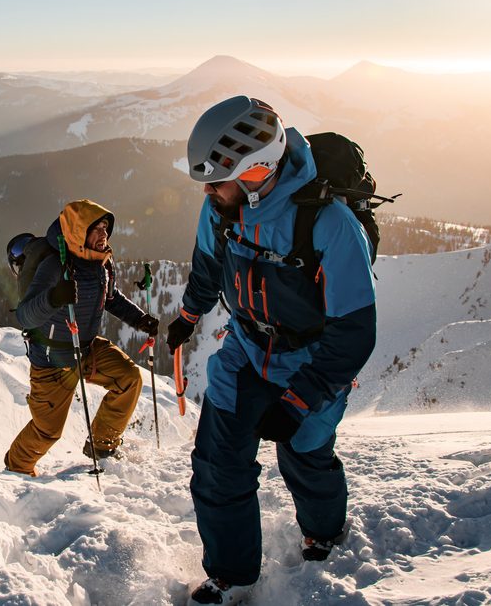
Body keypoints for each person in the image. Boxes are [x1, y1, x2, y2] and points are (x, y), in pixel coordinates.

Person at [165, 96, 376, 605]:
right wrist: (189, 317)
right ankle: (232, 576)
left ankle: (323, 533)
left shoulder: (328, 224)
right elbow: (209, 265)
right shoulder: (222, 208)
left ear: (256, 170)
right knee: (217, 462)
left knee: (304, 454)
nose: (208, 192)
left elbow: (354, 331)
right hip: (245, 350)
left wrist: (300, 400)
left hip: (313, 359)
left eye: (217, 181)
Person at [4, 199, 159, 476]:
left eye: (105, 228)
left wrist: (139, 319)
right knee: (47, 432)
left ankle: (102, 447)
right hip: (52, 361)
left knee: (128, 378)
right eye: (95, 228)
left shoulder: (102, 263)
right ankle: (15, 471)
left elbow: (111, 298)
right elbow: (26, 315)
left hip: (86, 349)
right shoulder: (54, 265)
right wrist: (54, 297)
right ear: (77, 232)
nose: (103, 235)